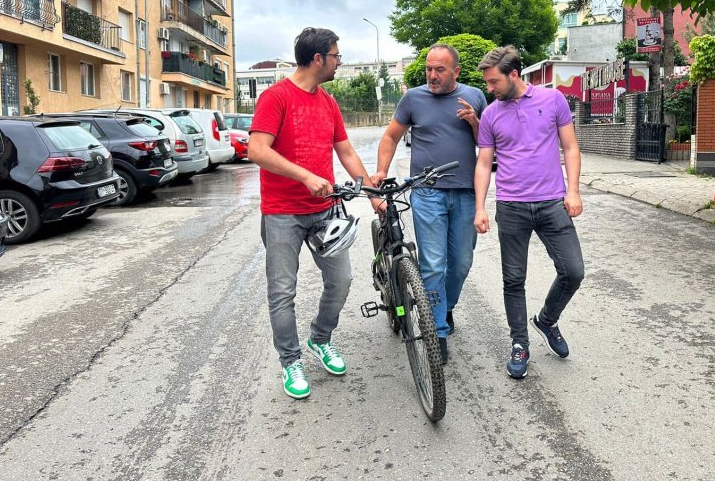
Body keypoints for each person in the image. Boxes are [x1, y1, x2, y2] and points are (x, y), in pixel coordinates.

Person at [248, 27, 379, 400]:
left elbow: (347, 151)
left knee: (341, 281)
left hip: (324, 211)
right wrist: (306, 176)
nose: (340, 62)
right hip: (282, 213)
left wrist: (370, 192)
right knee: (282, 292)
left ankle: (320, 339)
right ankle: (291, 361)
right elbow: (257, 149)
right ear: (319, 58)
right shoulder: (276, 97)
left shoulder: (328, 102)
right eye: (337, 56)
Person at [473, 45, 585, 379]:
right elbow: (483, 163)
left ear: (513, 75)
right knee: (513, 279)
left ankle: (546, 321)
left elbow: (570, 147)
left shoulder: (553, 101)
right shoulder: (491, 115)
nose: (489, 89)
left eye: (493, 82)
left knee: (573, 271)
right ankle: (519, 343)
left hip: (552, 202)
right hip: (511, 206)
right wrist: (480, 206)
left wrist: (573, 189)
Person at [372, 43, 487, 364]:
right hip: (427, 193)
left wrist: (475, 122)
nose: (432, 76)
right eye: (428, 69)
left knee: (461, 262)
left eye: (440, 70)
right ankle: (437, 328)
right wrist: (382, 170)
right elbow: (391, 136)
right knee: (434, 263)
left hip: (465, 192)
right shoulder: (413, 99)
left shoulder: (475, 96)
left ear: (456, 71)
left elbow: (488, 146)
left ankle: (444, 307)